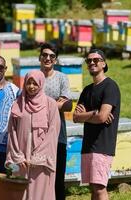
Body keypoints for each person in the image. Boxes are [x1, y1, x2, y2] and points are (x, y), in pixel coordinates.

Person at [73, 49, 121, 200]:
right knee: (93, 189)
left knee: (100, 188)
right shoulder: (87, 90)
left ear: (104, 63)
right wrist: (94, 113)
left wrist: (89, 115)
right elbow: (75, 117)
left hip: (102, 145)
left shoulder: (110, 86)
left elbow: (102, 117)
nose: (92, 62)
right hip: (87, 145)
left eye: (96, 60)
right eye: (89, 60)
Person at [6, 70, 61, 200]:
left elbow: (53, 132)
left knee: (41, 194)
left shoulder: (50, 104)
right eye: (28, 83)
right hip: (22, 161)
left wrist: (38, 157)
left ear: (41, 84)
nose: (31, 86)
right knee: (20, 193)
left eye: (35, 83)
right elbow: (12, 132)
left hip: (41, 162)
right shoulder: (18, 104)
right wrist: (18, 156)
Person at [39, 43, 72, 200]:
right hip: (37, 137)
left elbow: (66, 104)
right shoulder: (33, 77)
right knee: (40, 180)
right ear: (40, 57)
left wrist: (40, 104)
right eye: (45, 55)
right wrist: (54, 103)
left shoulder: (62, 78)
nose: (48, 58)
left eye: (52, 56)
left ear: (56, 60)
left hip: (58, 136)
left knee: (58, 180)